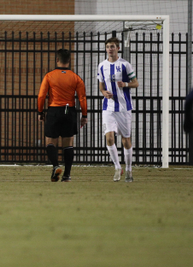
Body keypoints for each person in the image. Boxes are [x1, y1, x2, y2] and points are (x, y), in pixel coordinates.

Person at [37, 49, 87, 182]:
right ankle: (67, 175)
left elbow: (41, 96)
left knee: (50, 142)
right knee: (68, 144)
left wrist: (40, 112)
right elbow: (82, 98)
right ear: (69, 61)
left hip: (54, 110)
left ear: (57, 60)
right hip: (69, 111)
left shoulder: (49, 76)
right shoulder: (76, 77)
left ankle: (55, 166)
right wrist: (84, 115)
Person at [97, 37, 139, 182]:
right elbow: (101, 86)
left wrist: (125, 85)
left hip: (123, 108)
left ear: (118, 48)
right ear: (106, 48)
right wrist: (103, 93)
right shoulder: (102, 65)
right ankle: (117, 167)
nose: (110, 49)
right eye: (108, 46)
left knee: (126, 140)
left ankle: (128, 169)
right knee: (109, 137)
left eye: (113, 46)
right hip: (108, 107)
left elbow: (136, 83)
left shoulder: (125, 65)